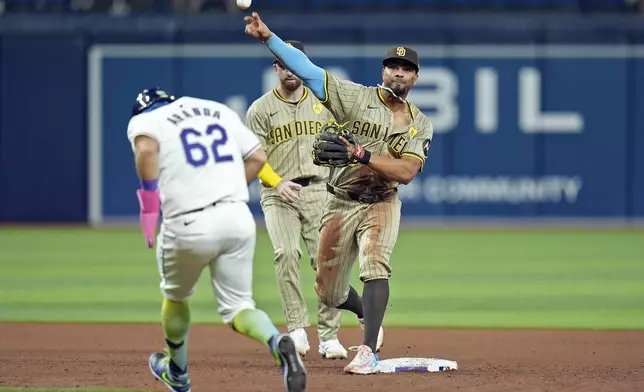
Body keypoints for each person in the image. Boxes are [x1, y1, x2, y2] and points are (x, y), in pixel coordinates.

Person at [244, 12, 433, 374]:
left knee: (375, 263)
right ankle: (363, 312)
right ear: (383, 72)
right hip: (339, 201)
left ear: (415, 77)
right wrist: (270, 37)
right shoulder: (354, 98)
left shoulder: (419, 123)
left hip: (381, 201)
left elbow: (406, 172)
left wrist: (361, 154)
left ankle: (368, 351)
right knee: (328, 292)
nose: (398, 73)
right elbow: (309, 70)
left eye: (405, 68)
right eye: (392, 66)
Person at [127, 87, 306, 392]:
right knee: (239, 307)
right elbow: (258, 157)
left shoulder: (148, 120)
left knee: (176, 297)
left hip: (187, 223)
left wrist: (148, 209)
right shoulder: (215, 109)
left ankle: (178, 373)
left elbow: (145, 151)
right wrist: (226, 187)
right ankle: (277, 341)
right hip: (236, 217)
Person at [246, 40, 347, 359]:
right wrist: (276, 183)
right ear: (275, 67)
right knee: (285, 253)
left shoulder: (323, 104)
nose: (289, 69)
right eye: (283, 63)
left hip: (319, 190)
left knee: (326, 261)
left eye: (294, 63)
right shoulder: (260, 109)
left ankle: (330, 336)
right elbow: (254, 157)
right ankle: (297, 327)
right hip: (278, 192)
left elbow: (342, 148)